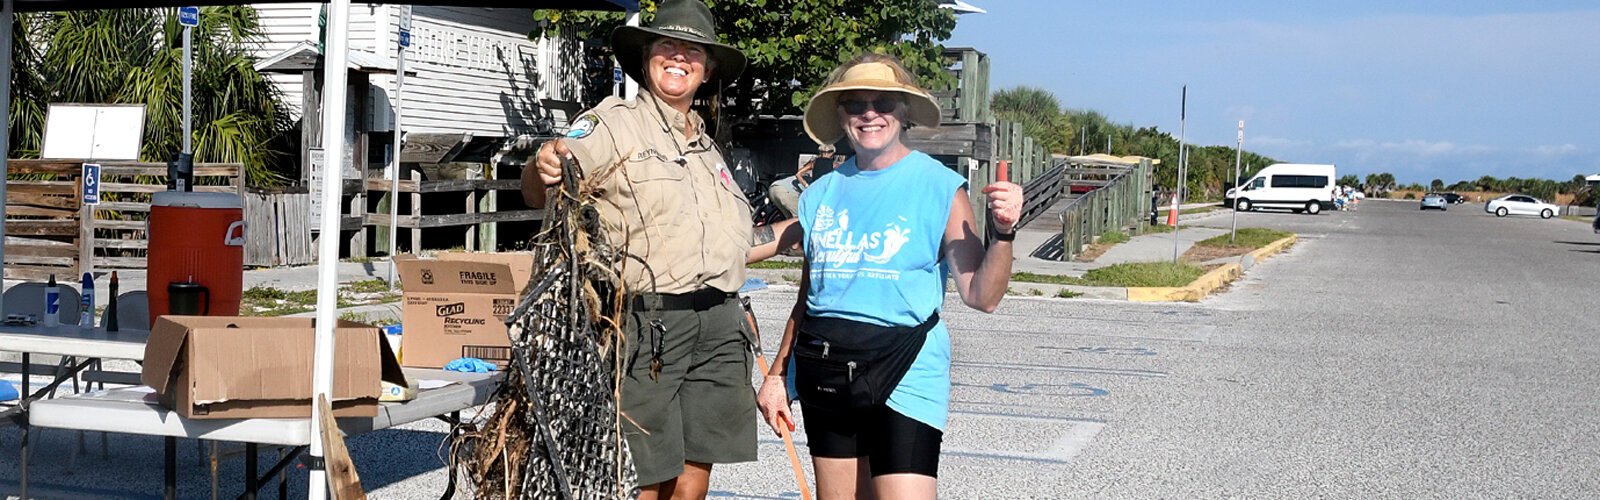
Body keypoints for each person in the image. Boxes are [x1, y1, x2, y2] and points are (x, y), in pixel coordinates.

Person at [520, 1, 792, 498]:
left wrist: (794, 233)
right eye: (668, 45)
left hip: (720, 328)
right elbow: (546, 182)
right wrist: (543, 165)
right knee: (644, 474)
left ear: (707, 71)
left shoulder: (709, 149)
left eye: (693, 51)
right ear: (646, 58)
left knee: (694, 473)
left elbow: (731, 247)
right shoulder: (613, 123)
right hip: (650, 327)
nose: (679, 57)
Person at [753, 53, 1023, 499]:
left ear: (904, 112)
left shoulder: (938, 187)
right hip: (826, 369)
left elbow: (982, 294)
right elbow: (808, 297)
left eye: (883, 102)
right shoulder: (821, 193)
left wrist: (1005, 232)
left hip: (905, 367)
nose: (870, 113)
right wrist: (778, 375)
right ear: (842, 117)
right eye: (856, 105)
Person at [769, 145, 838, 218]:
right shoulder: (834, 165)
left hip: (773, 188)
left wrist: (806, 185)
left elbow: (798, 174)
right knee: (801, 219)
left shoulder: (814, 163)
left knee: (788, 219)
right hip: (785, 192)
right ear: (832, 153)